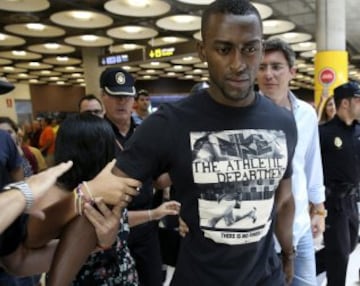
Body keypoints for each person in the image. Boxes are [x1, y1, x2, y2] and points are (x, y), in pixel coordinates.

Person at [111, 0, 298, 284]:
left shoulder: (282, 122)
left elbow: (283, 201)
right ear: (202, 51)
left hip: (265, 276)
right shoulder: (170, 123)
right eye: (224, 49)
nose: (238, 64)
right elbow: (107, 195)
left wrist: (289, 254)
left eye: (250, 49)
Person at [256, 38, 326, 286]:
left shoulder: (305, 114)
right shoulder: (245, 113)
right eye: (262, 67)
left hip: (299, 228)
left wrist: (319, 210)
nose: (268, 74)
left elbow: (311, 164)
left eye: (276, 67)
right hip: (258, 235)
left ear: (292, 72)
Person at [100, 67, 165, 286]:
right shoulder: (97, 135)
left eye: (127, 96)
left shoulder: (144, 132)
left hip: (146, 222)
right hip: (111, 225)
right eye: (115, 96)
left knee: (153, 279)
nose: (122, 102)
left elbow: (159, 179)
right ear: (103, 97)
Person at [316, 81, 360, 286]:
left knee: (348, 246)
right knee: (340, 256)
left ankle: (300, 266)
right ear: (345, 103)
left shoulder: (358, 131)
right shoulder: (324, 133)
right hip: (332, 202)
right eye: (358, 101)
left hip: (352, 202)